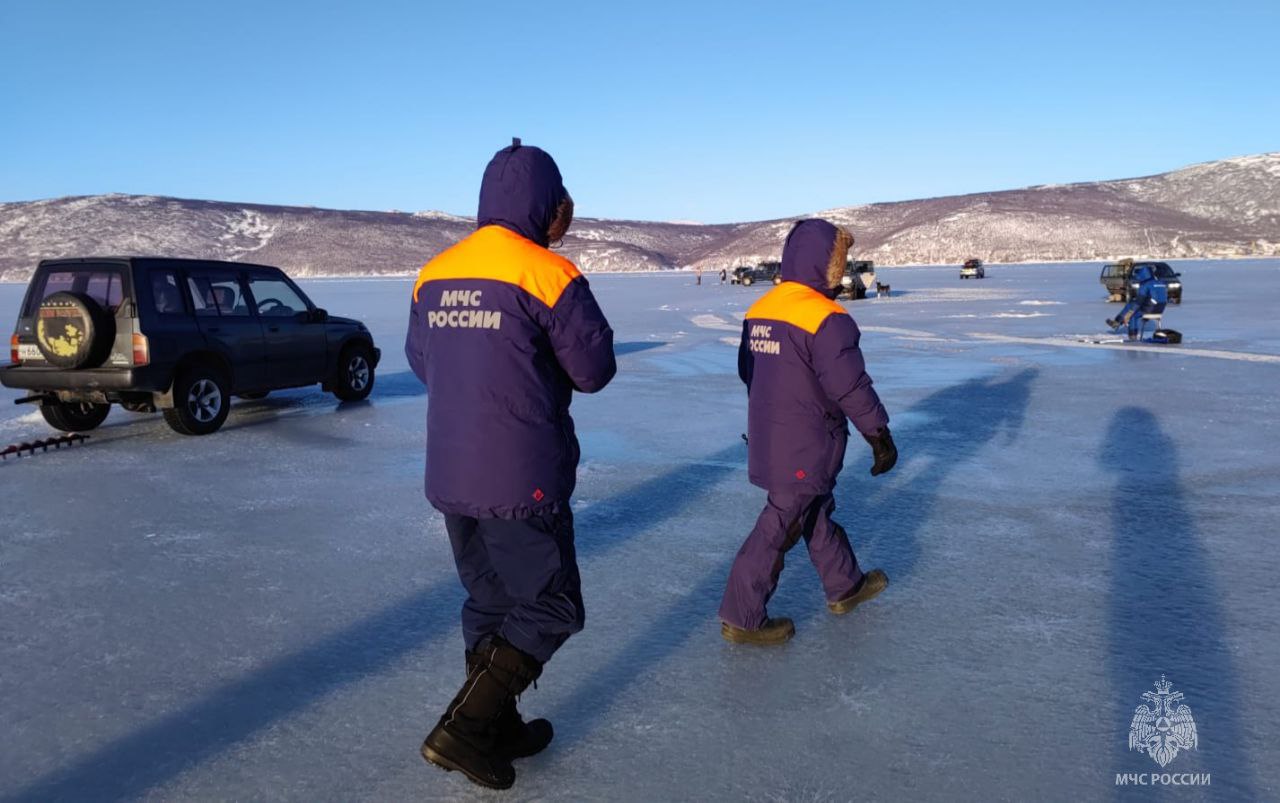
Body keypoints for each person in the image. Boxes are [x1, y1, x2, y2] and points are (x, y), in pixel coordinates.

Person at [405, 138, 616, 789]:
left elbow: (421, 362)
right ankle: (467, 724)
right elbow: (594, 368)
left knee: (490, 598)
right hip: (520, 475)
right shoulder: (546, 273)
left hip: (451, 473)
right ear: (552, 205)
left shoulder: (434, 272)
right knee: (552, 604)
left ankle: (494, 723)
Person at [719, 218, 897, 645]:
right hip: (807, 440)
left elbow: (749, 372)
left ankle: (845, 585)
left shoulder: (760, 309)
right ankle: (742, 616)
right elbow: (849, 386)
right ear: (829, 265)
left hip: (770, 435)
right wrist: (879, 435)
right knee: (780, 523)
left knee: (813, 509)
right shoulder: (826, 318)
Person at [1107, 265, 1168, 340]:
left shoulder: (1145, 285)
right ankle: (1117, 322)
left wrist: (1129, 314)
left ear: (1142, 276)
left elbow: (1138, 303)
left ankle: (1132, 336)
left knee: (1133, 315)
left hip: (1150, 309)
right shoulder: (1161, 282)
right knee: (1131, 304)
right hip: (1161, 308)